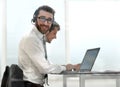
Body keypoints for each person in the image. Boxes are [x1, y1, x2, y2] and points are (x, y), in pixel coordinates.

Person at [18, 5, 78, 87]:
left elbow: (46, 64)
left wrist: (65, 67)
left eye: (49, 20)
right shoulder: (31, 39)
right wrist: (65, 68)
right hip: (31, 85)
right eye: (42, 18)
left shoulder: (39, 38)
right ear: (35, 18)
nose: (46, 23)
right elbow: (44, 68)